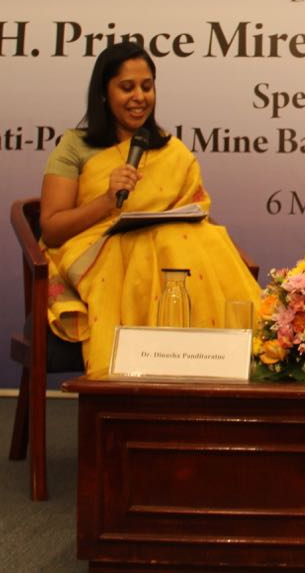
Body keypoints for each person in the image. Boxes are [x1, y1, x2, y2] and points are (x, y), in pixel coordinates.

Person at [39, 41, 260, 374]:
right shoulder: (75, 146)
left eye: (147, 86)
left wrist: (234, 253)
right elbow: (52, 229)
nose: (139, 97)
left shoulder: (170, 148)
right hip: (99, 253)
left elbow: (195, 210)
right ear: (103, 94)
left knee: (198, 240)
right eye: (127, 87)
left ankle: (214, 375)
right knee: (161, 248)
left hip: (168, 249)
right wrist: (106, 200)